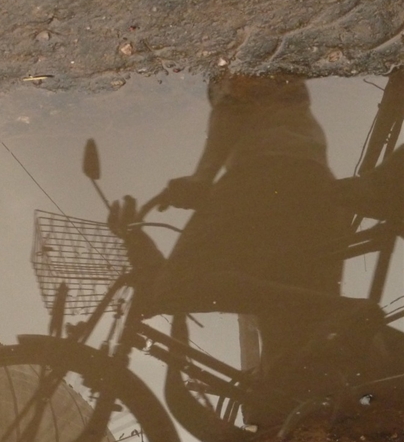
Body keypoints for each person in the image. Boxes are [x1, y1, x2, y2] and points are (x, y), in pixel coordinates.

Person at [109, 73, 387, 424]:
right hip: (316, 194)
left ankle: (344, 312)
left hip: (265, 174)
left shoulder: (239, 64)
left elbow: (233, 106)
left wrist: (201, 179)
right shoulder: (293, 101)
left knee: (178, 284)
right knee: (290, 369)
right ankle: (341, 317)